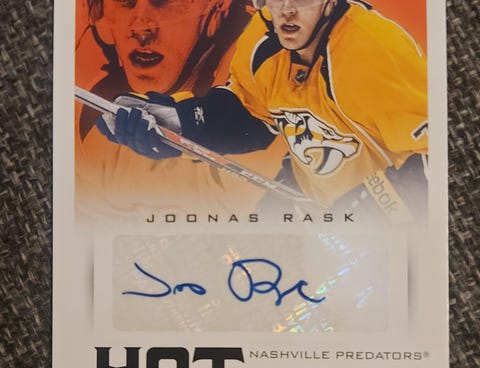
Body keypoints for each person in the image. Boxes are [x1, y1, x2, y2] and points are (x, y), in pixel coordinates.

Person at [98, 0, 429, 223]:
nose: (286, 11)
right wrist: (182, 122)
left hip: (388, 216)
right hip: (310, 201)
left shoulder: (374, 48)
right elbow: (250, 115)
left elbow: (437, 155)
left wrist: (362, 211)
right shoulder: (263, 35)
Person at [76, 0, 285, 219]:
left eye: (165, 2)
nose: (141, 28)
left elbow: (230, 203)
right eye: (125, 1)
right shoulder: (86, 97)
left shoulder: (268, 60)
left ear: (217, 8)